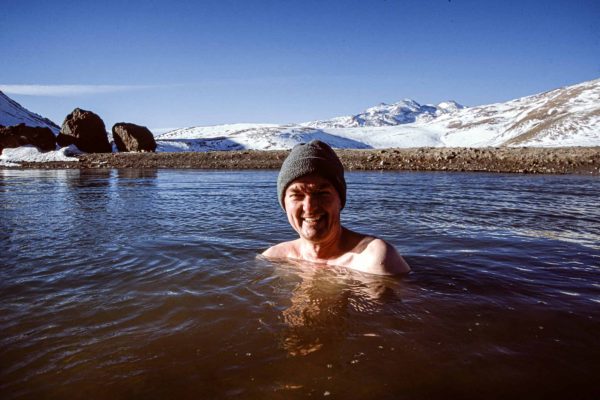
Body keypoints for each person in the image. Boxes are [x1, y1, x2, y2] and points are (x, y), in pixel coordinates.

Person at [262, 140, 410, 276]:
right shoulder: (273, 259)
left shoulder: (373, 260)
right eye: (297, 195)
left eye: (321, 193)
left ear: (340, 199)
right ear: (284, 203)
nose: (310, 207)